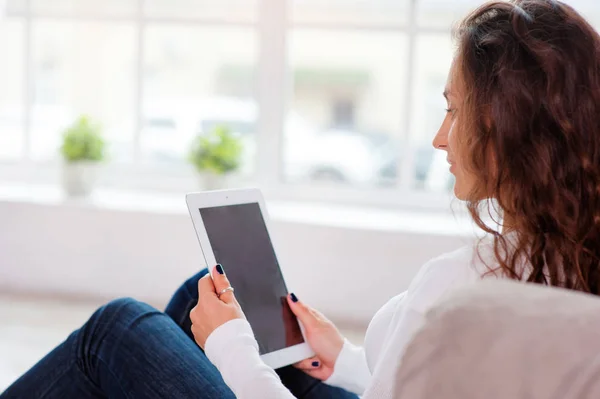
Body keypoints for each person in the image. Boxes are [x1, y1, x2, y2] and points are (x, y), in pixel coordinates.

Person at [4, 0, 600, 397]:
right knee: (201, 294)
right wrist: (343, 359)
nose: (441, 137)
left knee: (118, 330)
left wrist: (233, 348)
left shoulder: (460, 292)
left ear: (505, 126)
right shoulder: (567, 269)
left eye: (453, 110)